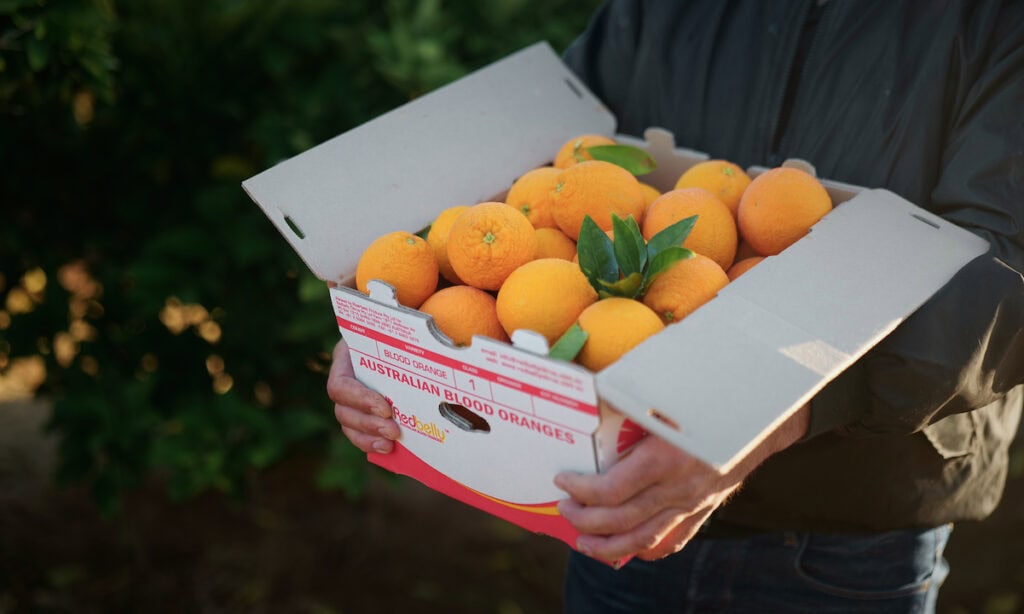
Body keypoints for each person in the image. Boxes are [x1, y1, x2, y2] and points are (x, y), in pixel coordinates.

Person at [329, 0, 1024, 611]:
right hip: (620, 499)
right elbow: (564, 151)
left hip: (847, 533)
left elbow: (1007, 266)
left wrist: (784, 404)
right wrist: (395, 320)